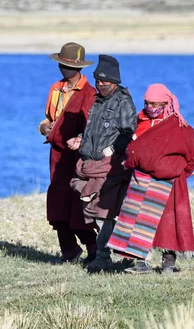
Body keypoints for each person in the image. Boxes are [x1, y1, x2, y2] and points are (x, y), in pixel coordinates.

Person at [107, 83, 194, 274]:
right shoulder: (140, 121)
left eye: (156, 105)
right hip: (142, 179)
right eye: (147, 104)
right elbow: (133, 149)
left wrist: (178, 173)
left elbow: (190, 157)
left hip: (170, 182)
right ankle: (140, 263)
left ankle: (168, 264)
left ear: (167, 104)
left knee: (168, 224)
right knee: (138, 220)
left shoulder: (180, 128)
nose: (151, 109)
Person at [68, 54, 137, 272]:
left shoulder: (124, 102)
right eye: (97, 81)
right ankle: (112, 252)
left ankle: (105, 256)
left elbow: (129, 132)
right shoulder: (97, 102)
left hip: (110, 168)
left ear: (114, 82)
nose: (99, 85)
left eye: (104, 82)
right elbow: (92, 130)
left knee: (105, 213)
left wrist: (113, 149)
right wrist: (80, 138)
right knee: (95, 212)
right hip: (90, 165)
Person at [39, 42, 98, 264]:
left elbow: (91, 127)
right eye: (61, 64)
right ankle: (69, 250)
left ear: (79, 68)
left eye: (68, 65)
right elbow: (49, 119)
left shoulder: (89, 93)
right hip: (57, 154)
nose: (64, 69)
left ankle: (94, 249)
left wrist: (80, 140)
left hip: (77, 156)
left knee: (76, 203)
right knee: (56, 203)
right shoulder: (55, 89)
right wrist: (43, 127)